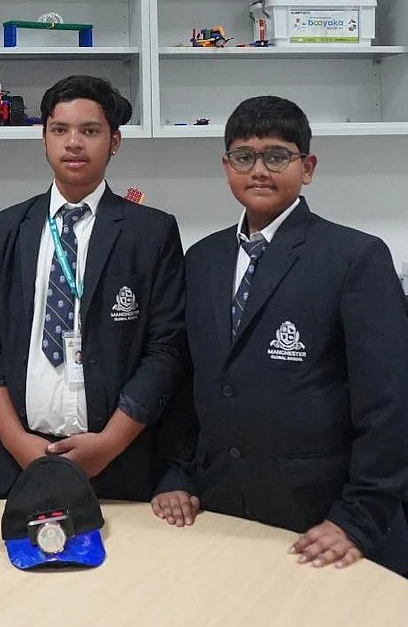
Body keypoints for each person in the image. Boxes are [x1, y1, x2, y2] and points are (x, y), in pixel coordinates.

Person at [152, 96, 408, 574]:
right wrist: (176, 474)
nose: (259, 171)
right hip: (220, 509)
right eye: (244, 157)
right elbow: (188, 385)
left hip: (322, 522)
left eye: (277, 156)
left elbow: (390, 404)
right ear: (227, 167)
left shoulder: (355, 257)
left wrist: (356, 518)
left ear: (307, 167)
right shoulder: (201, 260)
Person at [0, 75, 187, 500]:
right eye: (60, 130)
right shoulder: (7, 229)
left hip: (118, 461)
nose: (73, 143)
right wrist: (18, 443)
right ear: (44, 137)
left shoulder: (151, 232)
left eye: (90, 131)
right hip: (18, 461)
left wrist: (109, 443)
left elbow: (166, 350)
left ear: (115, 141)